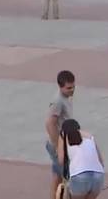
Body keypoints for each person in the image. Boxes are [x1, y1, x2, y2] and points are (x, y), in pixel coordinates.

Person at [45, 70, 76, 199]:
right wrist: (58, 145)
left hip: (63, 142)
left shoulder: (65, 97)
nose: (72, 90)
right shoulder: (58, 101)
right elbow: (50, 123)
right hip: (58, 144)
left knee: (57, 174)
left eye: (73, 86)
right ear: (60, 86)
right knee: (66, 176)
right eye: (68, 88)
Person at [56, 119, 105, 199]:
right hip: (98, 175)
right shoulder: (90, 136)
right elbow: (101, 162)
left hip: (79, 176)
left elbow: (61, 160)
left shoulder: (63, 135)